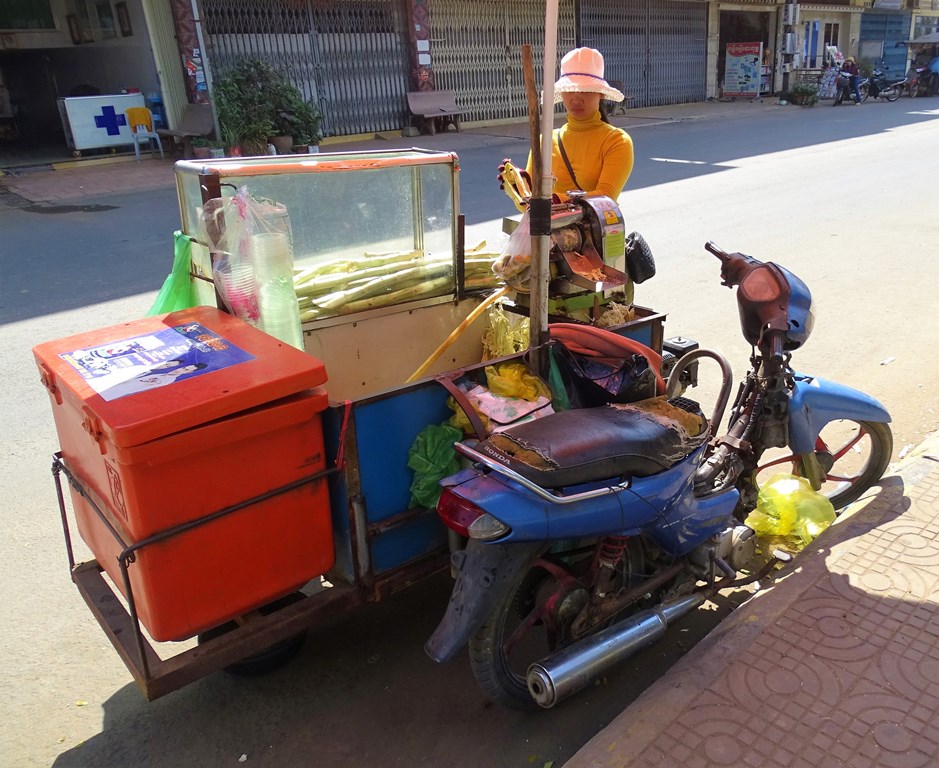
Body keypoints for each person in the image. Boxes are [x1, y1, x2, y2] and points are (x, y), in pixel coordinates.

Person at [500, 48, 635, 204]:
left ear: (601, 94)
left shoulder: (617, 141)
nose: (576, 99)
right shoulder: (545, 141)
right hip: (547, 228)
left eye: (585, 91)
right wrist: (518, 188)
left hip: (594, 227)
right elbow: (531, 206)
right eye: (569, 90)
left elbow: (605, 196)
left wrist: (555, 201)